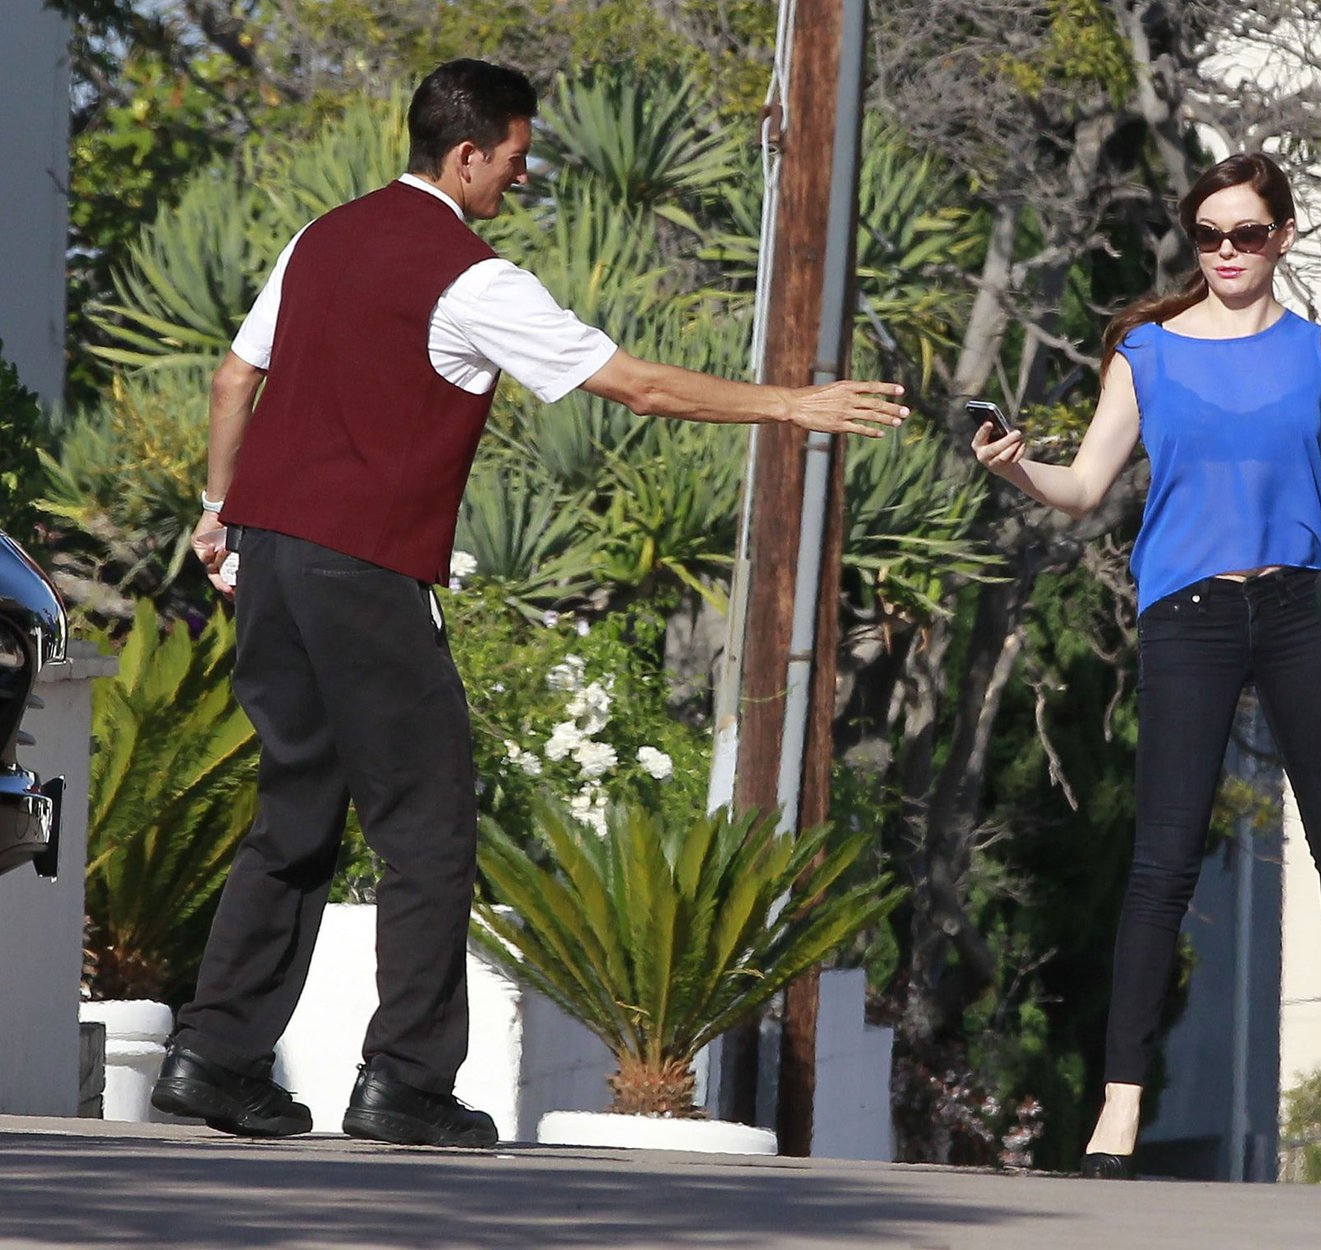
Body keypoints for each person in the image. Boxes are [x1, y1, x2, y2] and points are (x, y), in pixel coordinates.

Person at [150, 58, 907, 1149]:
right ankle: (404, 1080)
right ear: (466, 155)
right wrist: (791, 402)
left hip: (267, 555)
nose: (519, 177)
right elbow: (634, 384)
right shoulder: (470, 278)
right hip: (362, 568)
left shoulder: (320, 236)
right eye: (514, 158)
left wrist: (218, 511)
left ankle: (214, 1054)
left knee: (295, 808)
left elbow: (233, 380)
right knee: (427, 822)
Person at [971, 152, 1321, 1179]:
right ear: (1195, 241)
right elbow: (1086, 482)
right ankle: (1121, 1094)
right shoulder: (1146, 353)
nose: (1227, 252)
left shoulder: (1319, 348)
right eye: (1210, 235)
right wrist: (1016, 468)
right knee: (1162, 859)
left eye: (1248, 234)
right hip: (1185, 611)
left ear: (1283, 237)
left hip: (1296, 603)